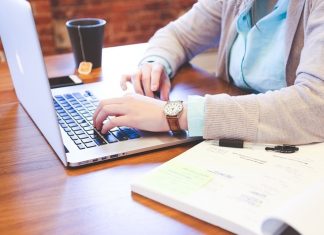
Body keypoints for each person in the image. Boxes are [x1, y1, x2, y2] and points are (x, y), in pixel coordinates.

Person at [93, 0, 324, 145]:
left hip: (298, 153)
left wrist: (174, 114)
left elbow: (315, 107)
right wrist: (155, 63)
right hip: (239, 142)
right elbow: (178, 35)